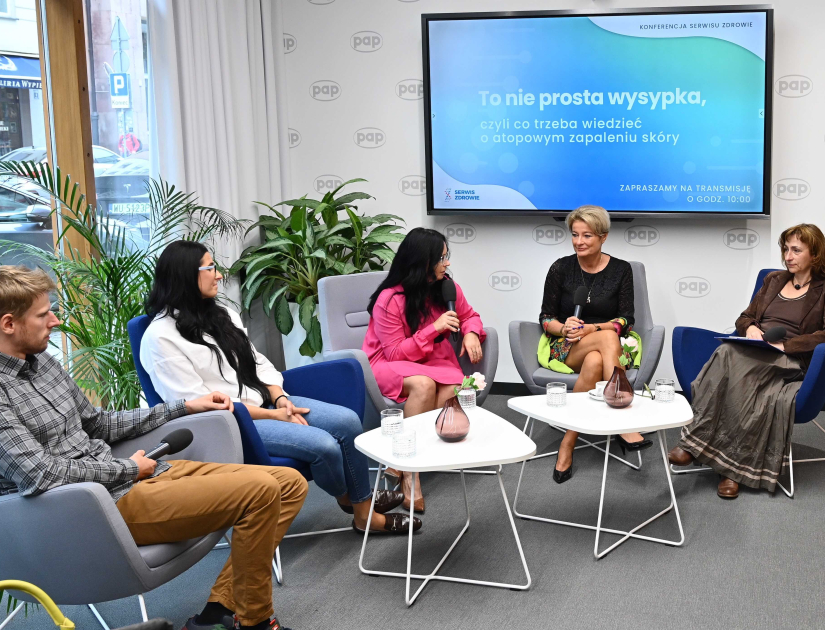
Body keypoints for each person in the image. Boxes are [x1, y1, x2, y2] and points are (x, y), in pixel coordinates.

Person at [0, 265, 306, 630]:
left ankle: (219, 610)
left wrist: (184, 407)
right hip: (93, 508)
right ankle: (255, 623)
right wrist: (130, 469)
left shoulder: (43, 363)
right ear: (8, 324)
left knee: (288, 483)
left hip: (131, 477)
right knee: (261, 491)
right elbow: (40, 474)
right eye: (43, 314)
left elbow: (98, 423)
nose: (55, 321)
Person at [141, 241, 418, 536]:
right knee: (324, 445)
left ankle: (362, 510)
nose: (219, 274)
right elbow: (204, 406)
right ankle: (357, 503)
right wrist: (273, 416)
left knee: (348, 421)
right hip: (232, 425)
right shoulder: (160, 339)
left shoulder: (221, 314)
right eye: (210, 268)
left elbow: (258, 362)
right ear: (185, 275)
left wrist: (281, 398)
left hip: (267, 401)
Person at [668, 224, 825, 499]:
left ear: (815, 254)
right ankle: (725, 464)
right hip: (756, 348)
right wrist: (750, 328)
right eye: (785, 249)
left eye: (796, 250)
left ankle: (708, 455)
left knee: (739, 372)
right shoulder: (774, 280)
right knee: (727, 351)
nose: (788, 256)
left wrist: (786, 345)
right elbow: (744, 317)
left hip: (789, 359)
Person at [363, 227, 486, 512]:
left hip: (433, 361)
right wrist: (434, 329)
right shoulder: (390, 299)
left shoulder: (447, 288)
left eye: (446, 256)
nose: (447, 263)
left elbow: (470, 316)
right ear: (422, 262)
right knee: (423, 385)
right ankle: (411, 474)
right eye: (441, 258)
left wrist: (471, 333)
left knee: (451, 386)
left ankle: (407, 459)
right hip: (388, 363)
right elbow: (394, 353)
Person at [539, 205, 651, 484]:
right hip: (568, 346)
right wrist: (563, 327)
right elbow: (545, 318)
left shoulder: (621, 270)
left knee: (596, 359)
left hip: (608, 346)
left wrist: (594, 328)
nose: (579, 242)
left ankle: (568, 442)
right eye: (575, 235)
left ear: (603, 237)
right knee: (606, 339)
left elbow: (626, 319)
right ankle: (623, 419)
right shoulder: (560, 268)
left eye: (587, 235)